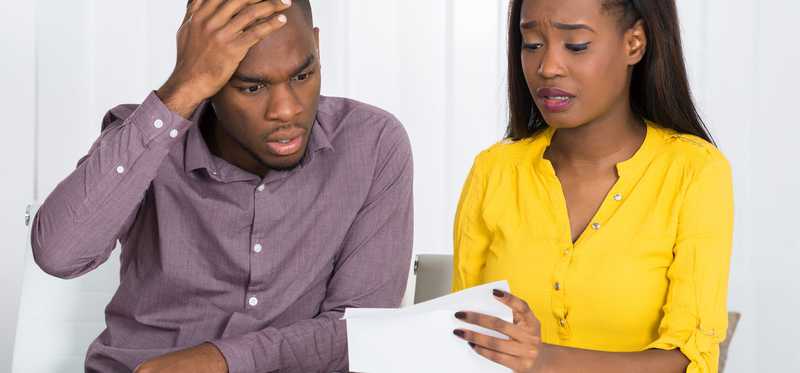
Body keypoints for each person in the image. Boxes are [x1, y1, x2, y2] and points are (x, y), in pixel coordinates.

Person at [30, 1, 413, 372]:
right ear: (208, 78)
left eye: (302, 75)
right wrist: (180, 90)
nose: (286, 109)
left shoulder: (372, 144)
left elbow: (361, 331)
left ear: (316, 45)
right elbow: (59, 255)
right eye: (252, 88)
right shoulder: (144, 141)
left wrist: (221, 361)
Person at [451, 0, 733, 372]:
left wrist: (544, 359)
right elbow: (460, 338)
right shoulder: (494, 170)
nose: (547, 67)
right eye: (532, 44)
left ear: (634, 44)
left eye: (576, 46)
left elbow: (688, 358)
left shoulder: (694, 171)